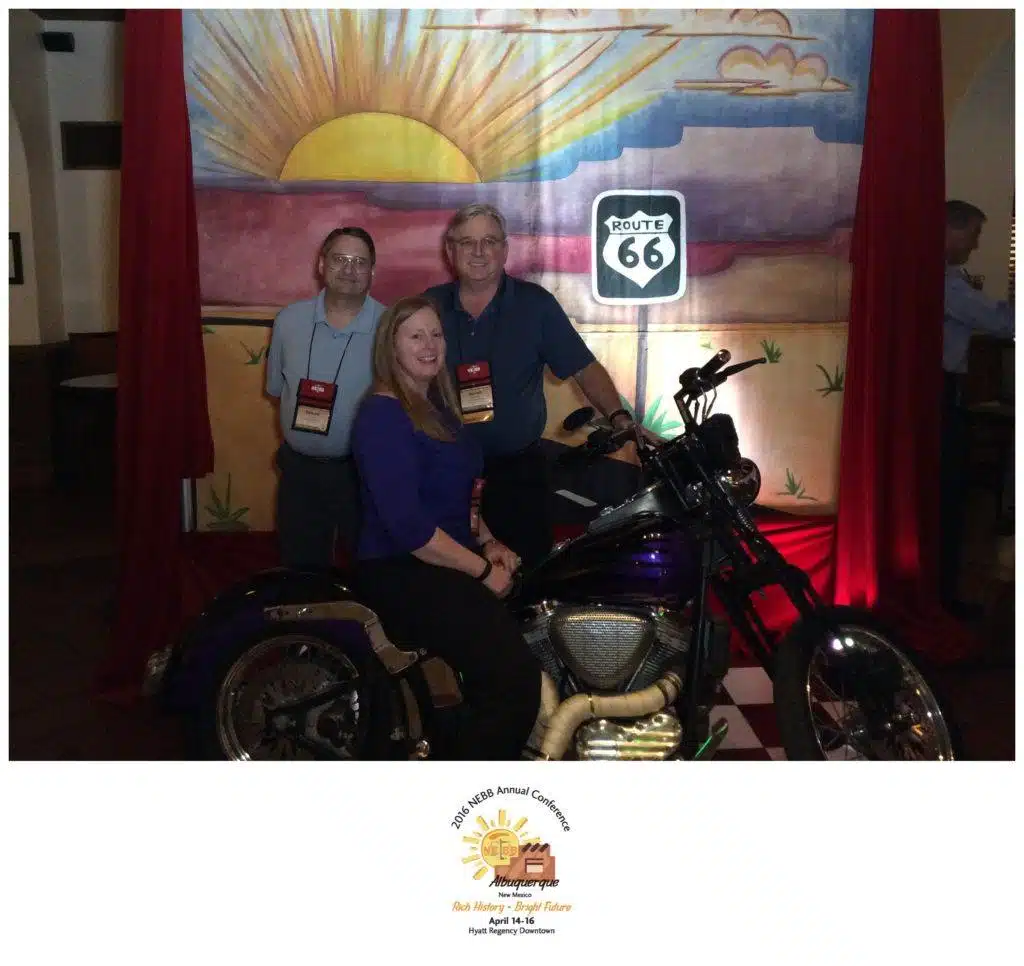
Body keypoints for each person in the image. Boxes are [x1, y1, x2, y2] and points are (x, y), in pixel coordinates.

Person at [350, 294, 541, 761]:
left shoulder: (435, 407)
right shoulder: (382, 415)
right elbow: (410, 530)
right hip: (401, 571)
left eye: (436, 334)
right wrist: (482, 572)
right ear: (391, 346)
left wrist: (488, 541)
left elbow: (462, 496)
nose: (430, 344)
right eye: (415, 335)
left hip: (442, 563)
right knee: (514, 679)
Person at [424, 202, 641, 568]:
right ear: (450, 250)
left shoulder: (535, 305)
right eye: (467, 242)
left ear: (504, 249)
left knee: (526, 573)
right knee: (455, 578)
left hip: (518, 475)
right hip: (444, 471)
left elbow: (584, 367)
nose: (479, 252)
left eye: (489, 241)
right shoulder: (428, 306)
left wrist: (619, 417)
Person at [266, 227, 385, 568]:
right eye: (340, 259)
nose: (349, 269)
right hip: (299, 473)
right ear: (321, 264)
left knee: (371, 572)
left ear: (372, 271)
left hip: (364, 475)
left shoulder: (391, 326)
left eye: (359, 262)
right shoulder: (288, 321)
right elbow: (277, 390)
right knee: (301, 572)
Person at [940, 200, 1014, 617]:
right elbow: (1003, 322)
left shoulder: (949, 278)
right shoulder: (946, 284)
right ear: (950, 230)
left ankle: (946, 594)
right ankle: (945, 599)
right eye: (973, 235)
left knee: (951, 495)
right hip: (940, 394)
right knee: (947, 497)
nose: (975, 244)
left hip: (947, 391)